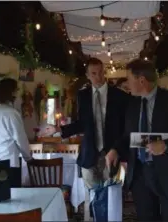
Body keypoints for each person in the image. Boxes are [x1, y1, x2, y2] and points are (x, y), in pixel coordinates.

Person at [106, 59, 168, 221]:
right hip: (140, 176)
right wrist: (115, 150)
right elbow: (127, 136)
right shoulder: (132, 104)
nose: (127, 84)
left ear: (141, 80)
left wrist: (166, 145)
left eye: (129, 79)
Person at [45, 57, 130, 188]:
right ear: (88, 76)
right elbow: (82, 123)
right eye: (94, 74)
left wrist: (120, 151)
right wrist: (60, 130)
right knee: (91, 197)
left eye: (101, 72)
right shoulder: (82, 96)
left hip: (111, 152)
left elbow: (125, 127)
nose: (98, 77)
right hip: (89, 153)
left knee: (111, 196)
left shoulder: (119, 96)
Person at [0, 78, 33, 188]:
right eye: (16, 90)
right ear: (12, 92)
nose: (18, 94)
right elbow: (20, 139)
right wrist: (28, 158)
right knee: (12, 199)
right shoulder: (11, 113)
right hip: (8, 163)